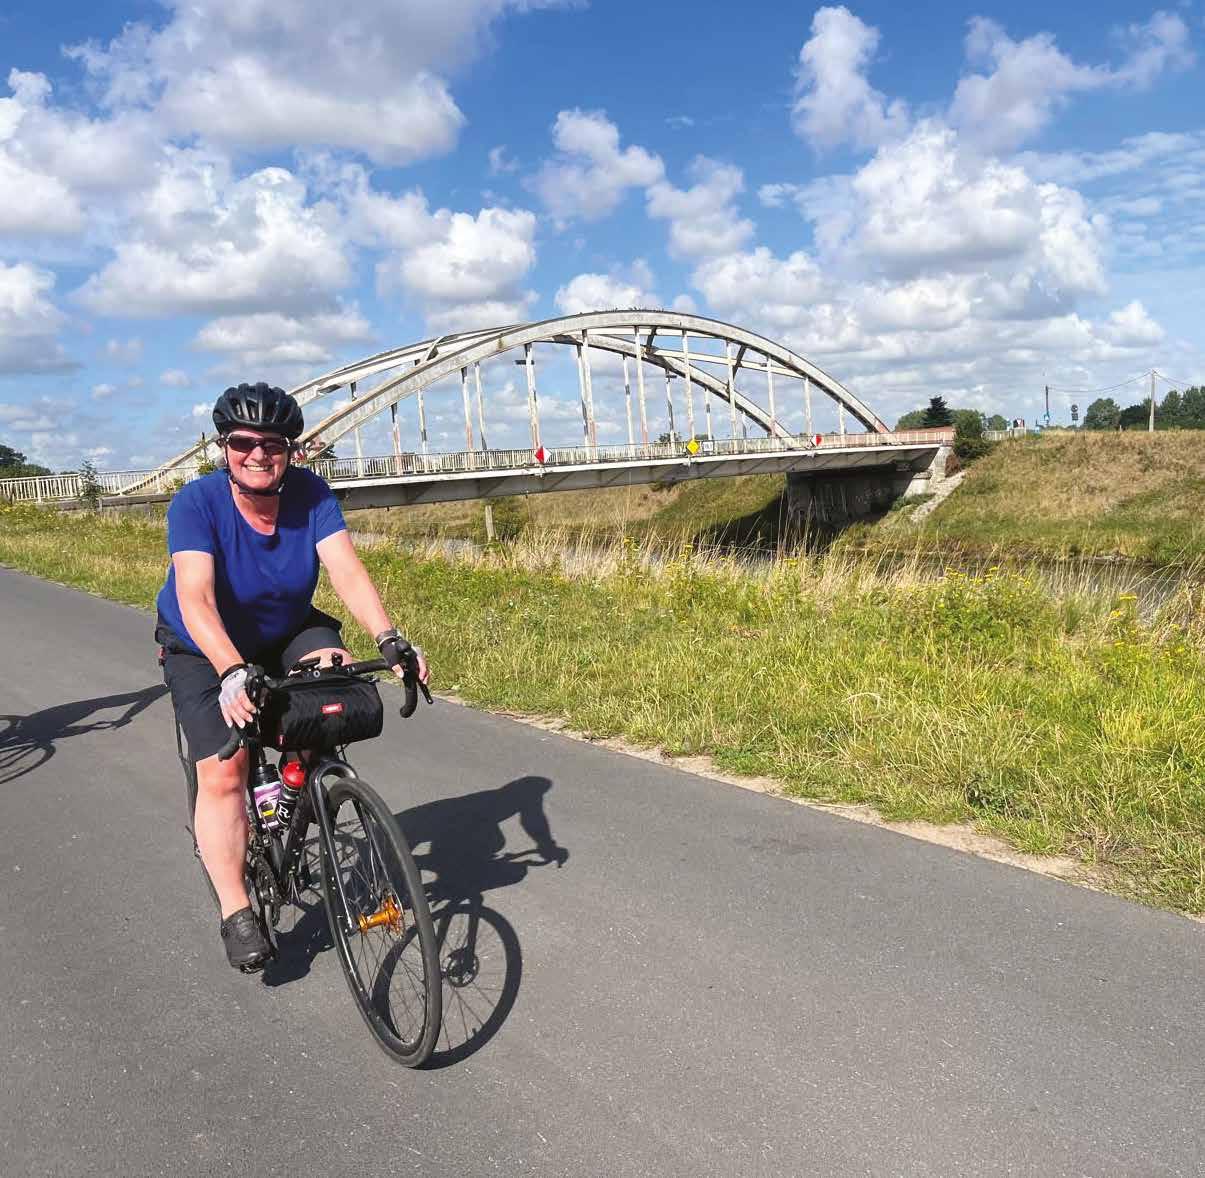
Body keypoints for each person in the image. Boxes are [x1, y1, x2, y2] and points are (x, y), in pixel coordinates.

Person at [155, 382, 428, 971]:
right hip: (203, 644)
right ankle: (237, 910)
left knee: (335, 688)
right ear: (224, 448)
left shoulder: (311, 494)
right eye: (243, 443)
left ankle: (295, 779)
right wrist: (231, 670)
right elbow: (196, 598)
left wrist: (389, 638)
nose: (257, 455)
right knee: (225, 768)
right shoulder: (196, 503)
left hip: (284, 627)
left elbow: (346, 571)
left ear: (291, 451)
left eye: (272, 444)